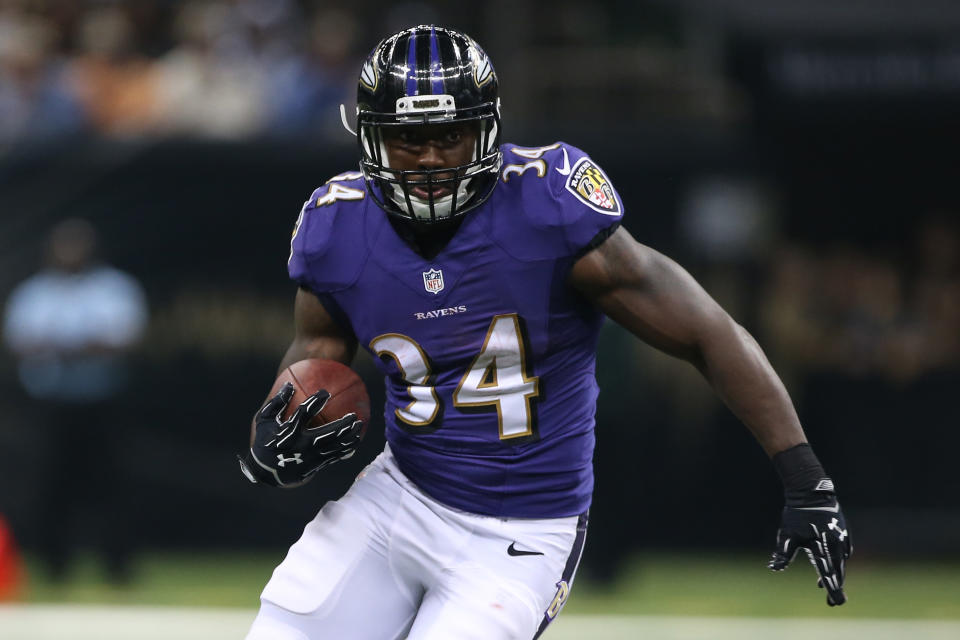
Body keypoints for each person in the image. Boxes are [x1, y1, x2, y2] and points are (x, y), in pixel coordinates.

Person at [239, 25, 852, 639]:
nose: (428, 159)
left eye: (450, 136)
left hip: (521, 530)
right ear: (371, 139)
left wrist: (805, 477)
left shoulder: (547, 203)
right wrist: (276, 430)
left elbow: (707, 333)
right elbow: (315, 356)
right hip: (399, 495)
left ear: (486, 129)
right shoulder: (335, 225)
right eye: (407, 140)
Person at [2, 218, 148, 583]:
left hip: (101, 401)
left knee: (110, 485)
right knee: (50, 486)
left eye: (78, 245)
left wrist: (67, 346)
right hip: (51, 405)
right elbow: (20, 342)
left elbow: (124, 339)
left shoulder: (113, 288)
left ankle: (119, 566)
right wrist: (81, 346)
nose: (71, 254)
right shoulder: (34, 293)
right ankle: (54, 566)